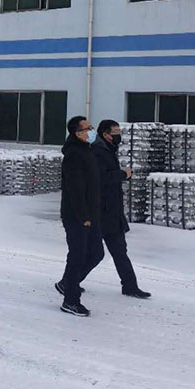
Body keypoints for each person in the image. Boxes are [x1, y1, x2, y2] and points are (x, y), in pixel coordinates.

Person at [90, 119, 151, 300]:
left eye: (119, 131)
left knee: (120, 251)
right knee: (92, 254)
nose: (118, 135)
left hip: (113, 211)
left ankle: (130, 286)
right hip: (101, 211)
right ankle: (69, 282)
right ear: (105, 134)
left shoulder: (109, 150)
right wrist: (123, 174)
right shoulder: (98, 152)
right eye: (115, 132)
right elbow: (100, 178)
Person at [55, 115, 101, 317]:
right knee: (78, 256)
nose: (92, 131)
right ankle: (70, 300)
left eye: (91, 127)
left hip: (91, 213)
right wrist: (84, 216)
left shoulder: (87, 150)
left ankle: (67, 283)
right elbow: (75, 189)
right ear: (78, 133)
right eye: (88, 128)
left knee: (96, 253)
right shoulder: (74, 155)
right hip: (77, 215)